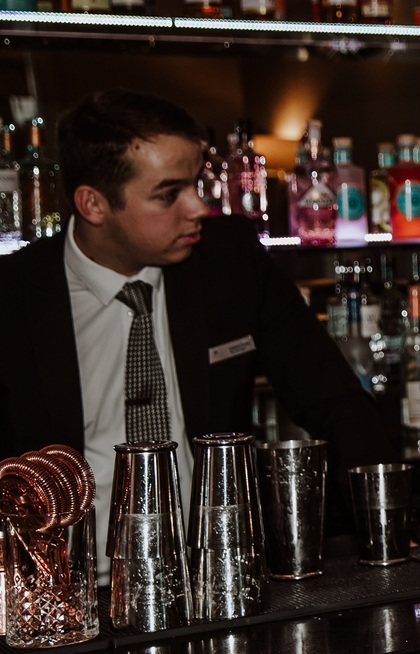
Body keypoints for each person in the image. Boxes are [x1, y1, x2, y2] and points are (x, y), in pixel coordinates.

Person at [0, 90, 391, 565]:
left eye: (196, 185)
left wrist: (384, 532)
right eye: (169, 194)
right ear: (93, 205)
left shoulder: (229, 262)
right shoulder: (16, 296)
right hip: (69, 590)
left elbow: (337, 402)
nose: (198, 209)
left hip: (216, 575)